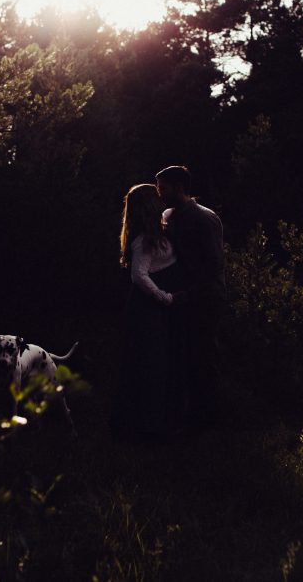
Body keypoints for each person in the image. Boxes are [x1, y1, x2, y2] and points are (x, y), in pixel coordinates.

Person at [110, 183, 187, 440]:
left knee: (165, 362)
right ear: (148, 205)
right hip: (149, 311)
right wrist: (165, 298)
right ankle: (147, 427)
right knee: (151, 365)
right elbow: (138, 276)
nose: (161, 197)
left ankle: (163, 421)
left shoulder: (159, 227)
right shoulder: (143, 239)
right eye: (156, 197)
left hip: (159, 310)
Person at [155, 165, 225, 428]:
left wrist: (190, 294)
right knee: (184, 356)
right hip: (181, 298)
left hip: (206, 298)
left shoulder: (204, 219)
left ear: (179, 188)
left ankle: (209, 417)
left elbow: (214, 265)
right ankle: (188, 413)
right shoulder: (169, 216)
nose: (160, 193)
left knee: (205, 355)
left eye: (164, 188)